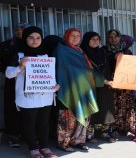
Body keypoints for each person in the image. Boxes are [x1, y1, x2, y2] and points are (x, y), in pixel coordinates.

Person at [5, 26, 58, 158]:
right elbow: (8, 74)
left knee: (44, 123)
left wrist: (56, 85)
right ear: (25, 38)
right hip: (27, 97)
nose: (35, 40)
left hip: (46, 95)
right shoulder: (19, 54)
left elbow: (51, 74)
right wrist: (20, 67)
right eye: (31, 38)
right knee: (29, 123)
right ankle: (33, 148)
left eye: (38, 38)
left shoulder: (46, 54)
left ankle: (44, 147)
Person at [54, 28, 99, 152]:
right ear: (66, 36)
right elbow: (61, 69)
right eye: (72, 36)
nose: (75, 38)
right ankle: (64, 142)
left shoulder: (80, 51)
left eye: (78, 36)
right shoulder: (61, 50)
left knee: (84, 114)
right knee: (68, 116)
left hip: (84, 88)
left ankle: (78, 141)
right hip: (68, 88)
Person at [80, 31, 116, 143]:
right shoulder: (82, 53)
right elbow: (86, 71)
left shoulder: (102, 52)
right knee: (92, 109)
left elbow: (109, 65)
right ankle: (90, 135)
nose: (95, 41)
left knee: (106, 108)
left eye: (97, 39)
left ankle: (104, 132)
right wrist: (104, 81)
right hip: (91, 85)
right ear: (87, 41)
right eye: (92, 39)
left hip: (105, 85)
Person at [103, 29, 136, 136]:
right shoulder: (104, 51)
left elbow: (133, 66)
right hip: (111, 83)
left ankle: (127, 127)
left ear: (120, 37)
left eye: (116, 36)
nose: (113, 39)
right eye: (110, 37)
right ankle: (114, 128)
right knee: (114, 105)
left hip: (125, 83)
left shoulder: (127, 51)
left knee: (126, 104)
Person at [0, 23, 28, 148]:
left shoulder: (33, 44)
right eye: (17, 30)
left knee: (29, 109)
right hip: (12, 81)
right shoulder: (7, 45)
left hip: (31, 83)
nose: (19, 32)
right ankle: (13, 135)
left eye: (22, 30)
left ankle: (28, 135)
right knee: (12, 108)